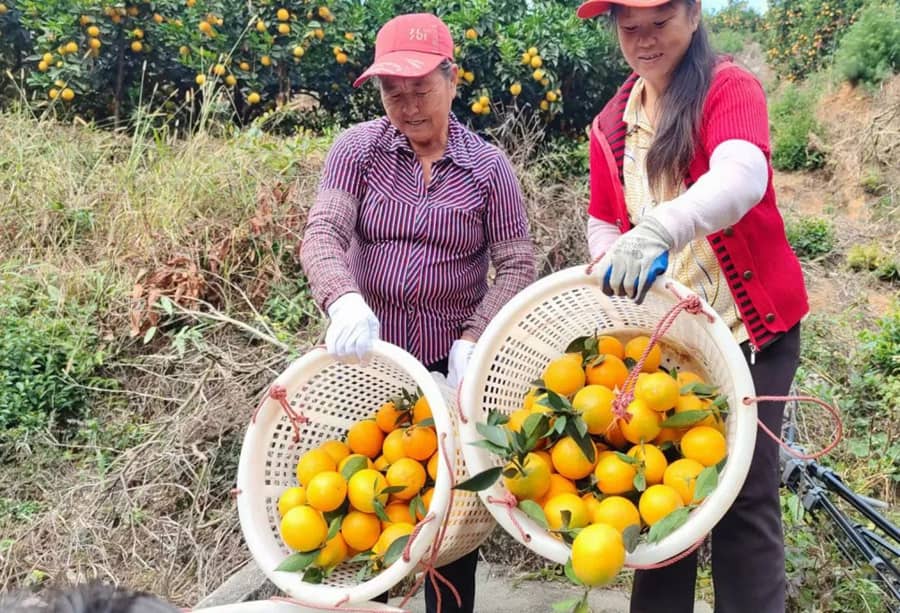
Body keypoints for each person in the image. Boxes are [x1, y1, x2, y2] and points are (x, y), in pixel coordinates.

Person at [299, 12, 536, 613]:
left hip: (444, 364)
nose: (406, 105)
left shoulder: (488, 169)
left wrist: (472, 339)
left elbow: (515, 264)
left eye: (420, 88)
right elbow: (323, 232)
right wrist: (342, 298)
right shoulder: (359, 150)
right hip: (367, 363)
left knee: (447, 516)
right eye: (391, 91)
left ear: (452, 80)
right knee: (362, 501)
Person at [576, 0, 808, 611]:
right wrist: (610, 264)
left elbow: (741, 175)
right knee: (664, 491)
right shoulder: (612, 122)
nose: (645, 40)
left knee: (746, 495)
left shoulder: (728, 87)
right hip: (672, 342)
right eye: (630, 28)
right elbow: (603, 219)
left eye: (660, 23)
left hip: (750, 328)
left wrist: (663, 228)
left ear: (695, 13)